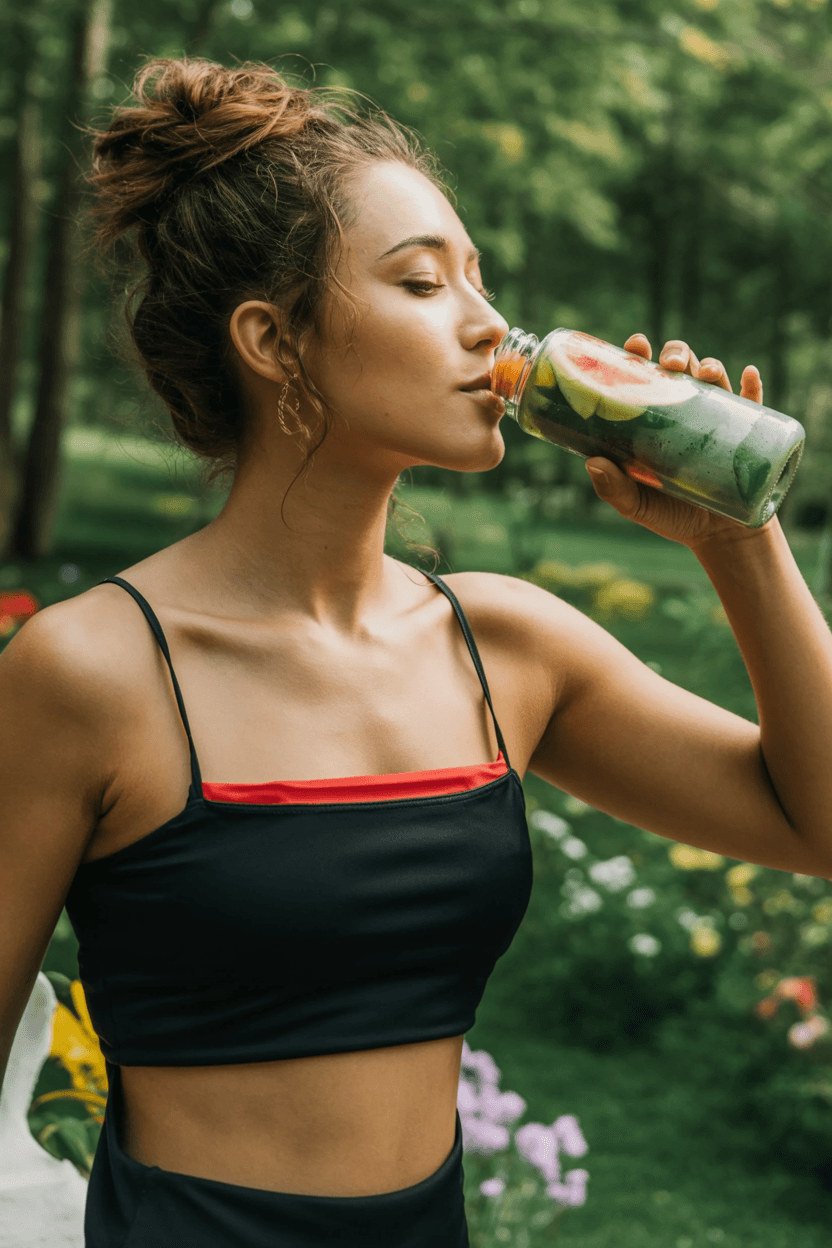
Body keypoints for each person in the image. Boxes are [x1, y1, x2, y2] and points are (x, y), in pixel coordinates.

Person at [2, 54, 832, 1248]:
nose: (489, 325)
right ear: (273, 341)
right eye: (421, 284)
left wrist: (737, 543)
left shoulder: (506, 645)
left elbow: (815, 824)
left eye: (478, 279)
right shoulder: (92, 674)